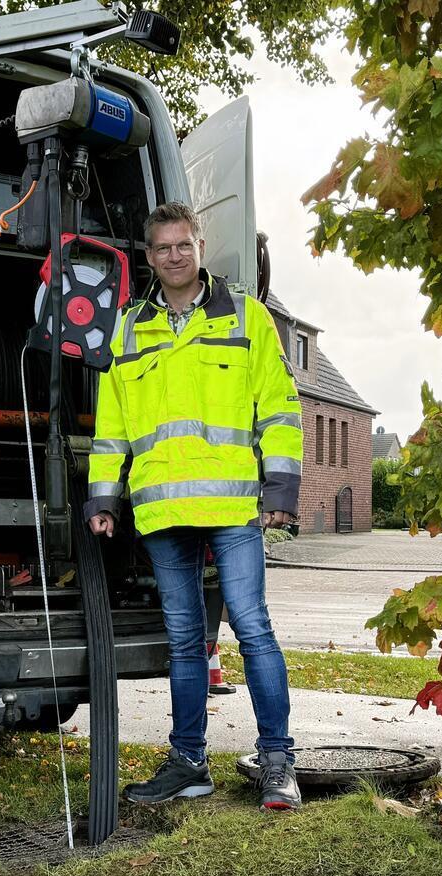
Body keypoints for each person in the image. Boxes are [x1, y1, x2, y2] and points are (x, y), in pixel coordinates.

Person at [86, 201, 304, 811]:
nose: (175, 255)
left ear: (200, 247)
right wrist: (104, 497)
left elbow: (280, 409)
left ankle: (278, 761)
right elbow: (113, 428)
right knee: (184, 642)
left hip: (234, 506)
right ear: (148, 256)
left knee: (253, 629)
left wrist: (280, 491)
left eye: (185, 244)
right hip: (161, 512)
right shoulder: (129, 330)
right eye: (163, 247)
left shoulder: (247, 318)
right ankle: (189, 764)